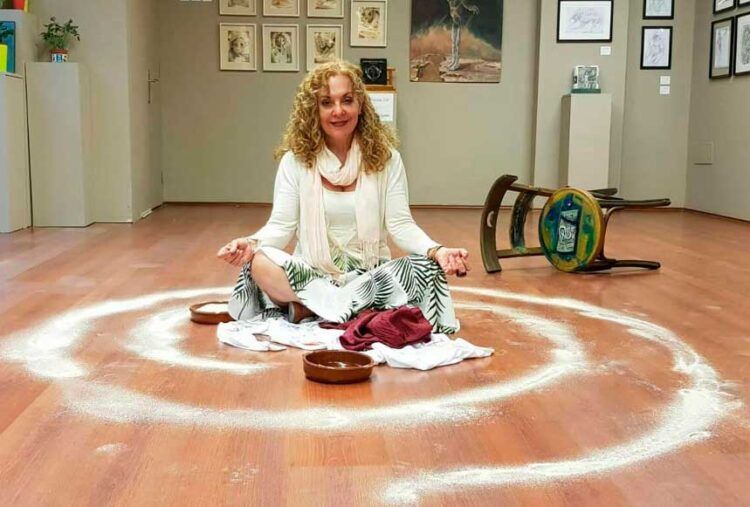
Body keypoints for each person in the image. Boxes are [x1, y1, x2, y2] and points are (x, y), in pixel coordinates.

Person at [217, 60, 469, 333]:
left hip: (371, 277)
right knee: (260, 262)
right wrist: (250, 243)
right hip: (313, 275)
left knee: (426, 267)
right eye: (327, 103)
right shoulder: (295, 161)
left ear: (360, 104)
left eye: (347, 100)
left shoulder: (387, 159)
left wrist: (437, 251)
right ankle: (354, 309)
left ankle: (313, 308)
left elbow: (401, 225)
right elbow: (281, 225)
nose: (338, 111)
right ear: (313, 110)